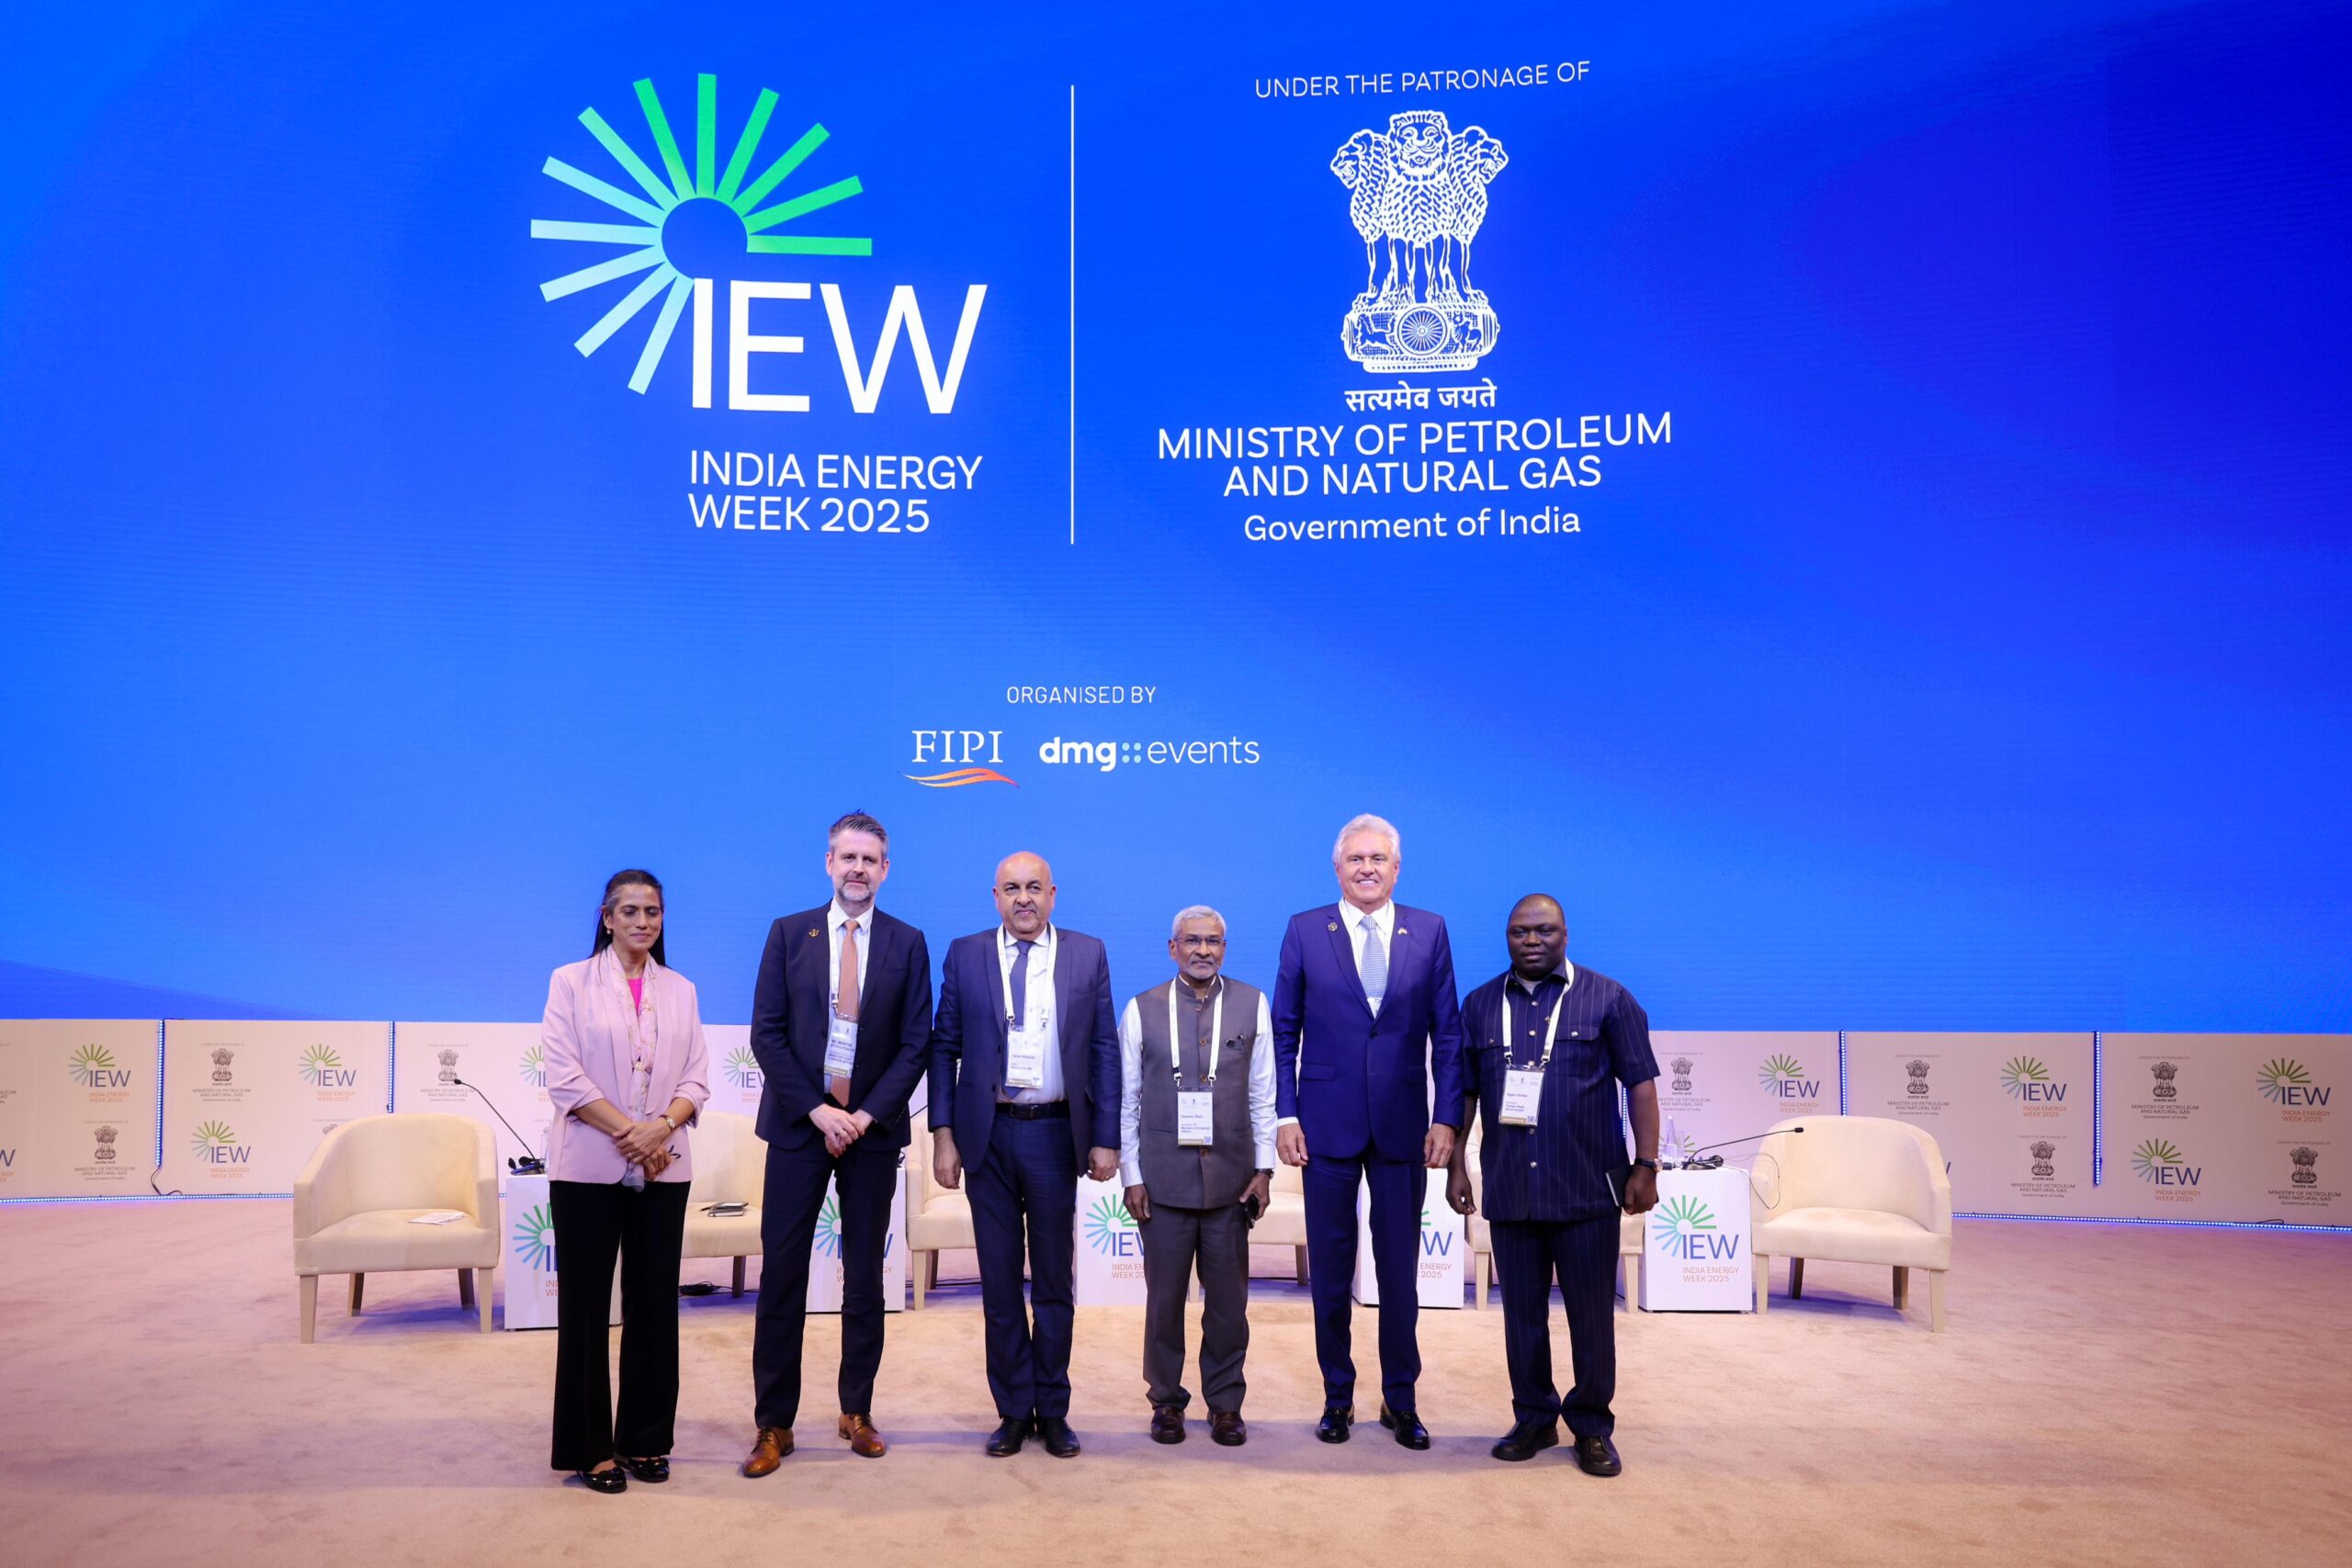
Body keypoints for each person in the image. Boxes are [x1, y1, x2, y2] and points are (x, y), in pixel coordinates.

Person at [741, 812, 933, 1476]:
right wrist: (819, 1110)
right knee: (782, 1273)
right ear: (829, 863)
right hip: (800, 1128)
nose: (858, 869)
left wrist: (867, 1114)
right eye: (848, 857)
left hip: (871, 1135)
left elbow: (916, 1042)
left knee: (866, 1277)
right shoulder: (789, 933)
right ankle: (774, 1422)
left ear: (886, 869)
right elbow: (766, 1033)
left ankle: (857, 1409)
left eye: (869, 859)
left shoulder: (908, 942)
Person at [1445, 894, 1659, 1476]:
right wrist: (1457, 1164)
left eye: (1544, 930)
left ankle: (1591, 1425)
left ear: (1565, 935)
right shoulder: (1480, 1005)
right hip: (1512, 1186)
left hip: (1586, 1187)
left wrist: (1646, 1165)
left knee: (1591, 1316)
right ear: (1507, 938)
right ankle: (1535, 1417)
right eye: (1520, 932)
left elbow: (1641, 1084)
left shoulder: (1609, 998)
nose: (1532, 940)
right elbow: (1465, 1094)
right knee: (1521, 1316)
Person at [1272, 813, 1464, 1448]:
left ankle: (1400, 1400)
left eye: (1378, 858)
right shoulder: (1306, 929)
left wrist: (1446, 1117)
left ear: (1397, 868)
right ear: (1338, 867)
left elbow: (1448, 1034)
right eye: (1355, 858)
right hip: (1324, 1126)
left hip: (1404, 1126)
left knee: (1400, 1271)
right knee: (1330, 1271)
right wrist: (1286, 1113)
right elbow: (1283, 1032)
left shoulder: (1429, 930)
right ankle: (1338, 1397)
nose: (1367, 868)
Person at [928, 851, 1119, 1458]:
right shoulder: (966, 953)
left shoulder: (1087, 952)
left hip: (1055, 1134)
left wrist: (1106, 1135)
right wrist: (943, 1133)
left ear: (1053, 894)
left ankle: (1054, 1409)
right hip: (987, 1135)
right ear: (996, 897)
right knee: (1001, 1282)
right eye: (1011, 888)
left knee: (1054, 1281)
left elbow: (1104, 1048)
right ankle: (1013, 1410)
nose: (1024, 898)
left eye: (1034, 887)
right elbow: (944, 1048)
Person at [539, 869, 710, 1494]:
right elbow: (565, 1077)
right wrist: (632, 1134)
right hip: (587, 1167)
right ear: (606, 918)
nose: (643, 922)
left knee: (655, 1304)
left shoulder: (682, 989)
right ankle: (589, 1448)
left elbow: (696, 1079)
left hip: (666, 1165)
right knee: (586, 1308)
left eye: (653, 912)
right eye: (630, 911)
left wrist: (659, 1130)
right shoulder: (570, 982)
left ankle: (644, 1439)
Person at [1117, 906, 1277, 1447]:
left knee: (1229, 1307)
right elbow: (1127, 1100)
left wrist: (1264, 1168)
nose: (1202, 950)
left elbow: (1263, 1093)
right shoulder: (1141, 1008)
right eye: (1192, 941)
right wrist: (1131, 1175)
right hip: (1162, 1183)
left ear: (1224, 949)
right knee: (1164, 1304)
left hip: (1232, 1183)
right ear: (1173, 948)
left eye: (1213, 942)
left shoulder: (1253, 1003)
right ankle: (1166, 1402)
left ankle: (1225, 1404)